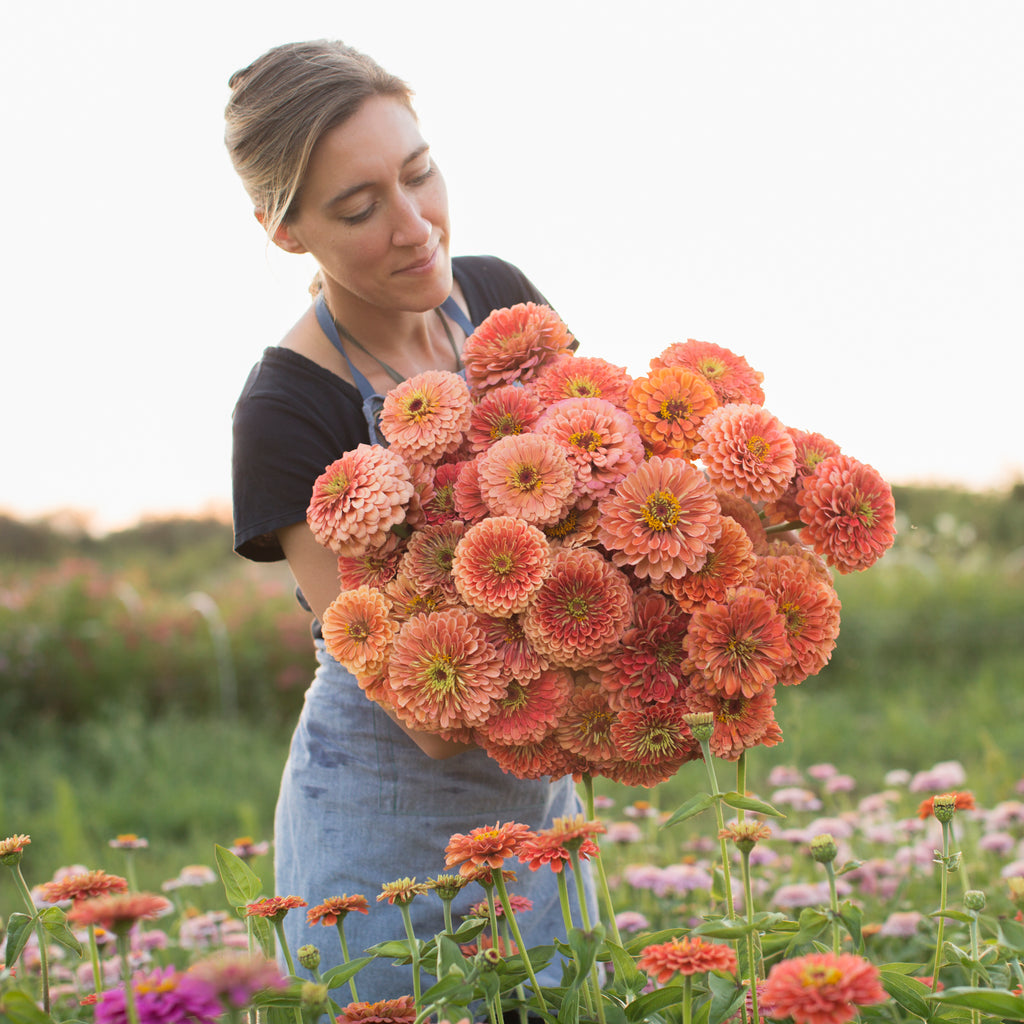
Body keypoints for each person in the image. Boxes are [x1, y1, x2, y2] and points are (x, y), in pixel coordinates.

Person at [224, 40, 594, 1002]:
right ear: (285, 231)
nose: (414, 225)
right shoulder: (285, 412)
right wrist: (607, 639)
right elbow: (426, 717)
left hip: (538, 808)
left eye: (420, 174)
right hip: (380, 844)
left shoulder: (502, 298)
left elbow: (611, 491)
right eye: (359, 208)